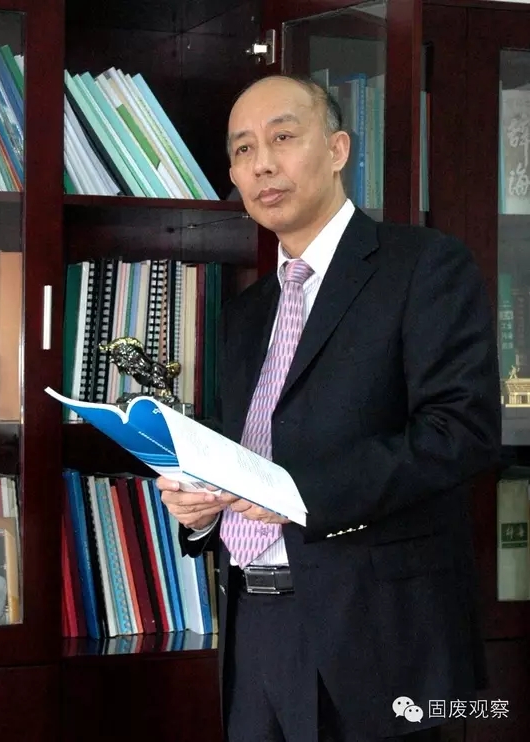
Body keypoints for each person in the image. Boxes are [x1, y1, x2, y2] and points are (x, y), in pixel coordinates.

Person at [156, 74, 501, 742]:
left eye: (283, 137)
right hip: (252, 626)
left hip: (376, 635)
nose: (262, 163)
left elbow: (460, 432)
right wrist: (201, 507)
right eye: (244, 149)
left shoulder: (423, 265)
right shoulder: (247, 311)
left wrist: (297, 493)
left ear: (338, 149)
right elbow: (241, 451)